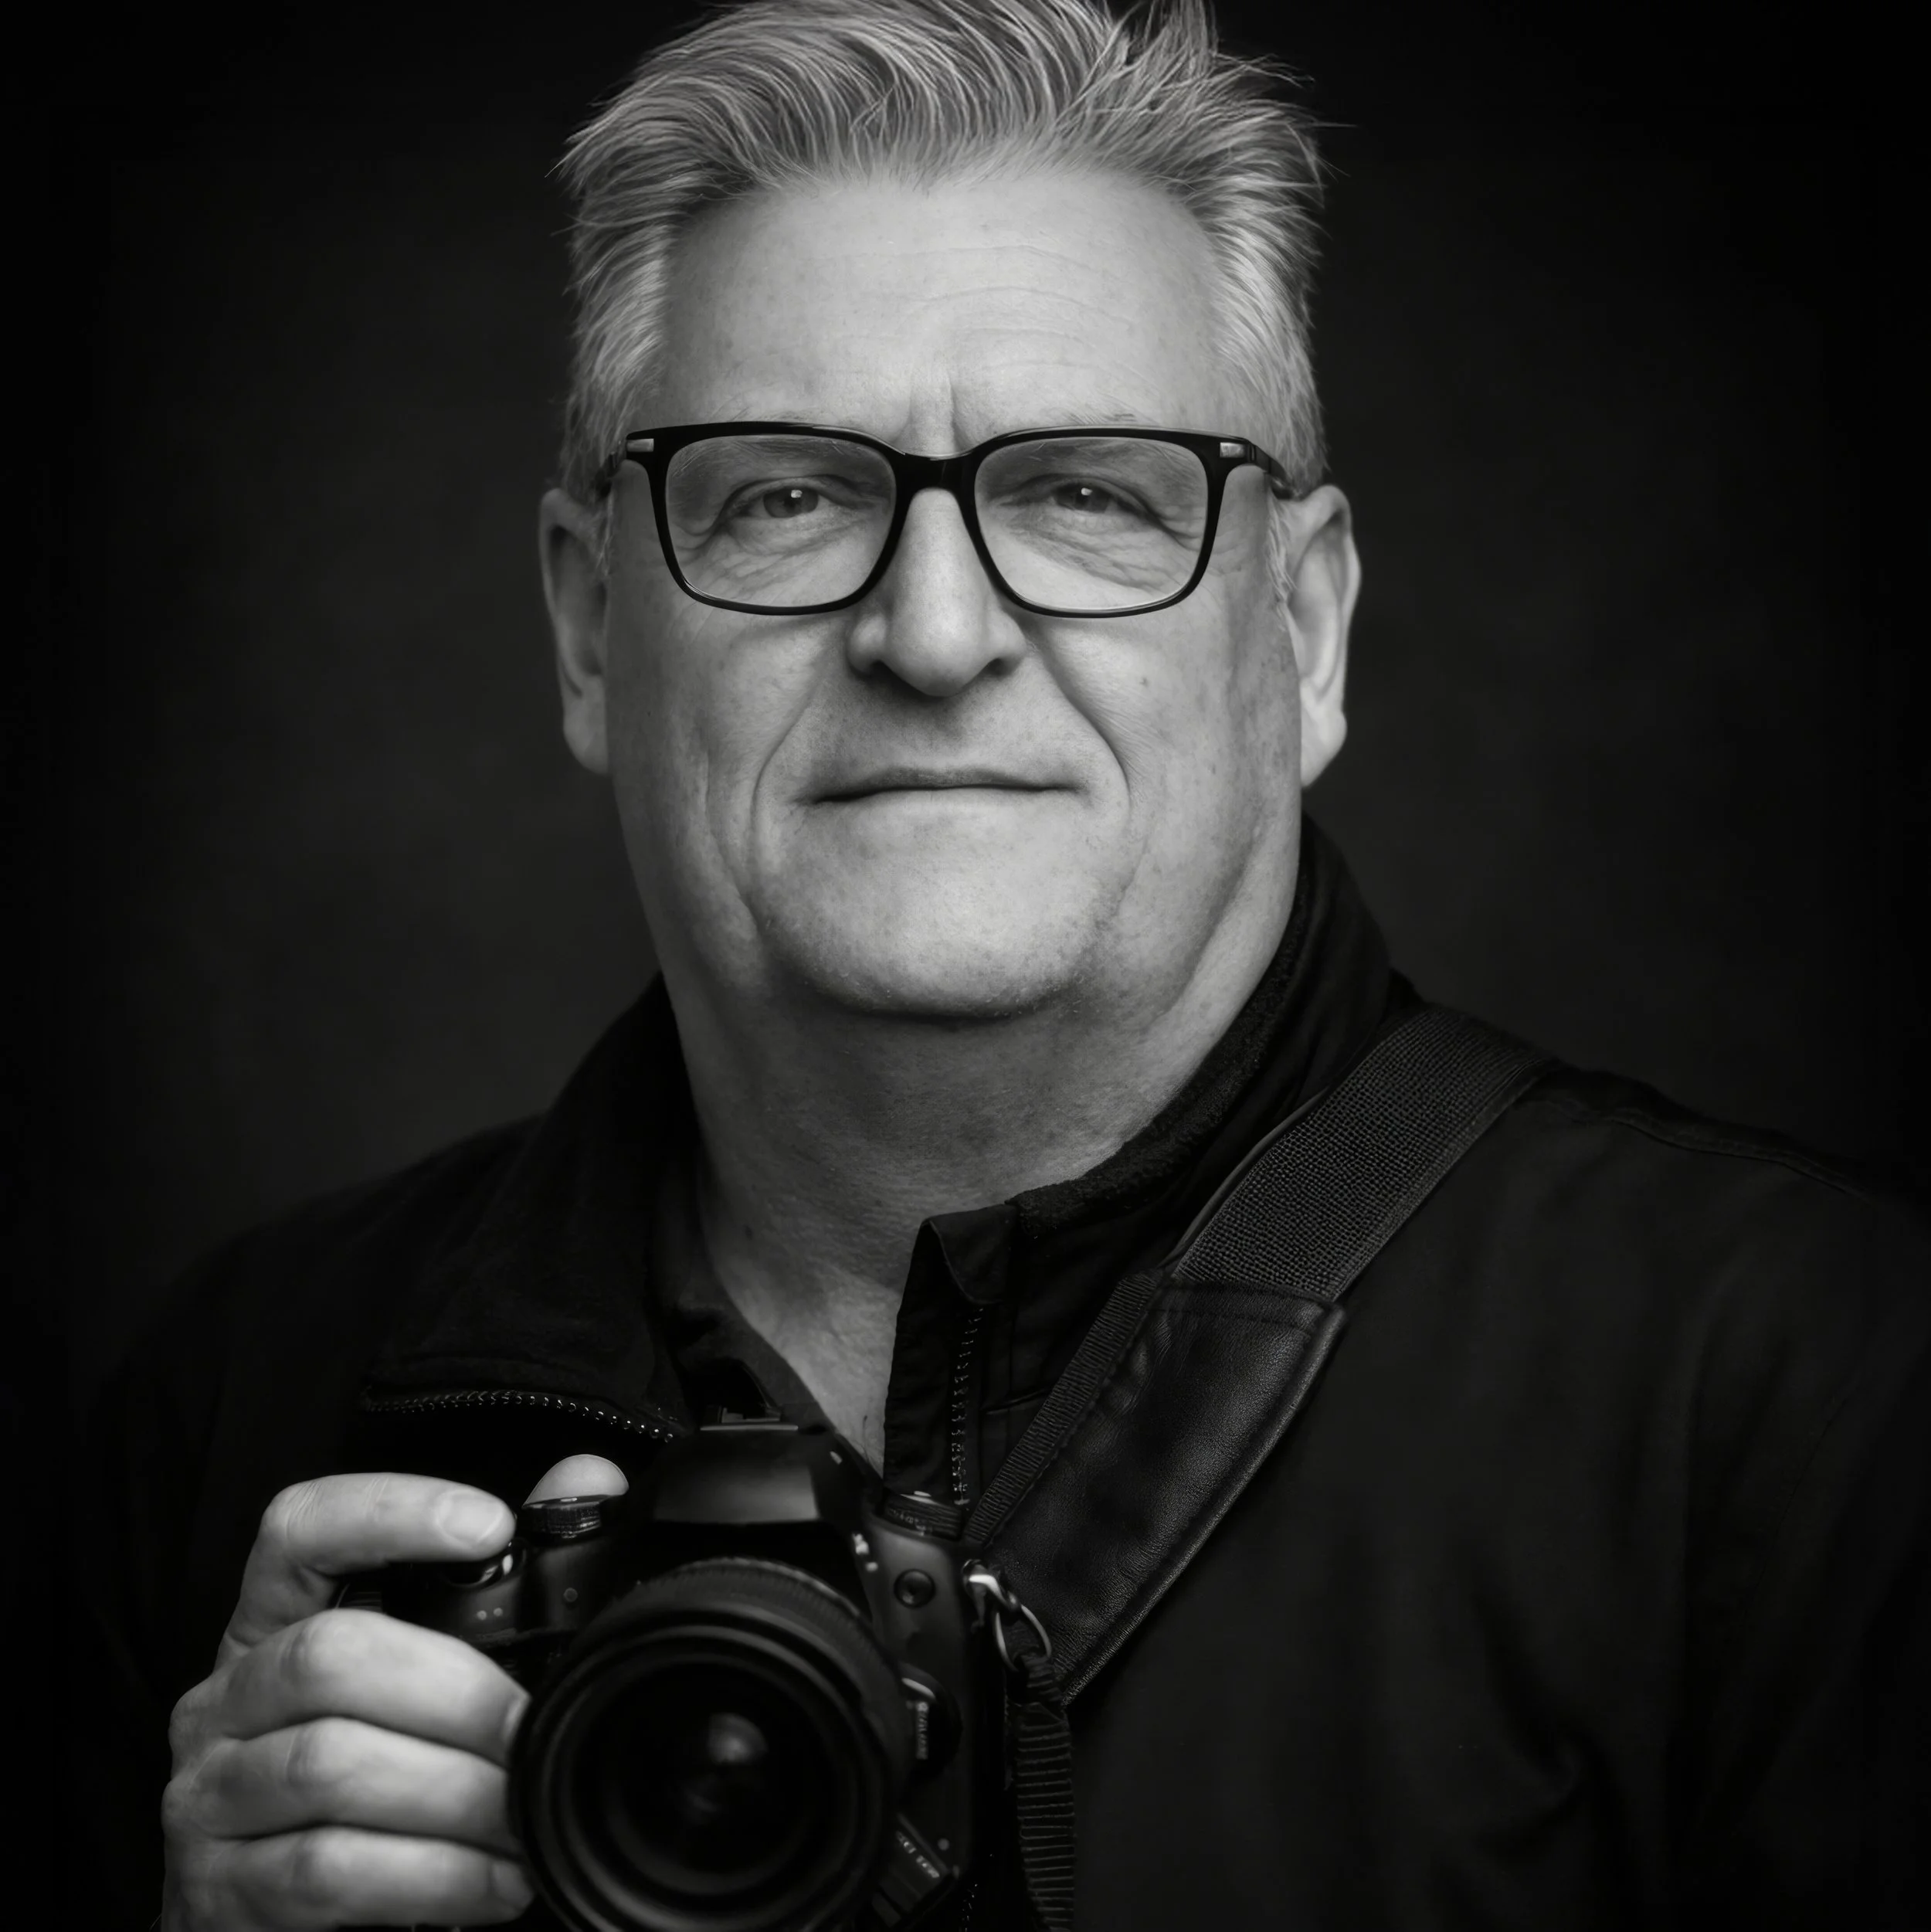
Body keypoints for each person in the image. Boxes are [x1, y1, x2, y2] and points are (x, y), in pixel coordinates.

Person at [73, 2, 1928, 1927]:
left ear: (1299, 634)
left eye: (1089, 492)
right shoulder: (232, 1419)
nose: (934, 629)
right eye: (784, 493)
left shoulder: (1816, 1407)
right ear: (587, 632)